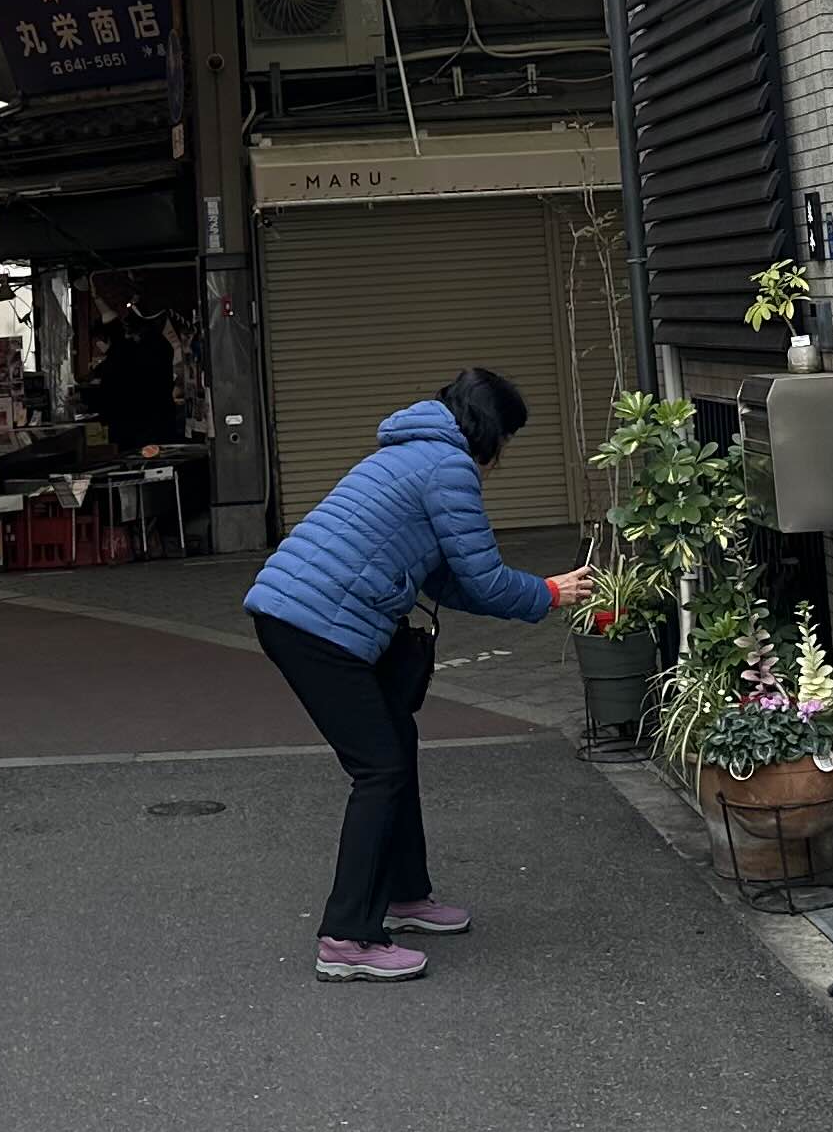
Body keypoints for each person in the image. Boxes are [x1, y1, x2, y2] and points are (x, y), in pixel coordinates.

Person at [243, 368, 585, 983]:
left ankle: (404, 897)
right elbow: (485, 580)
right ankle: (346, 938)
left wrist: (539, 595)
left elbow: (448, 580)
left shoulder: (411, 452)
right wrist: (549, 593)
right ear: (490, 430)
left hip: (300, 614)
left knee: (395, 745)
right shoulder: (449, 467)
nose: (503, 456)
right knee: (380, 768)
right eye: (506, 439)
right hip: (315, 626)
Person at [88, 309, 185, 451]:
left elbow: (114, 389)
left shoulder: (128, 352)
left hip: (140, 423)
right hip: (156, 418)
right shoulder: (154, 345)